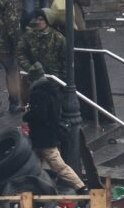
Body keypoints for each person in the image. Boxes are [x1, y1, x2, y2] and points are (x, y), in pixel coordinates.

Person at [23, 63, 86, 193]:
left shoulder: (38, 94)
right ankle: (32, 190)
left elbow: (40, 114)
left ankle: (81, 187)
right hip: (46, 135)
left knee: (59, 166)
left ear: (33, 79)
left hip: (43, 138)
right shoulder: (51, 90)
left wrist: (27, 115)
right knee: (34, 166)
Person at [17, 10, 66, 78]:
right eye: (37, 19)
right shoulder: (29, 35)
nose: (37, 22)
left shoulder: (58, 38)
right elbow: (20, 52)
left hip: (54, 78)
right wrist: (29, 68)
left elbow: (65, 59)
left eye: (41, 19)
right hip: (34, 77)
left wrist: (62, 77)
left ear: (48, 21)